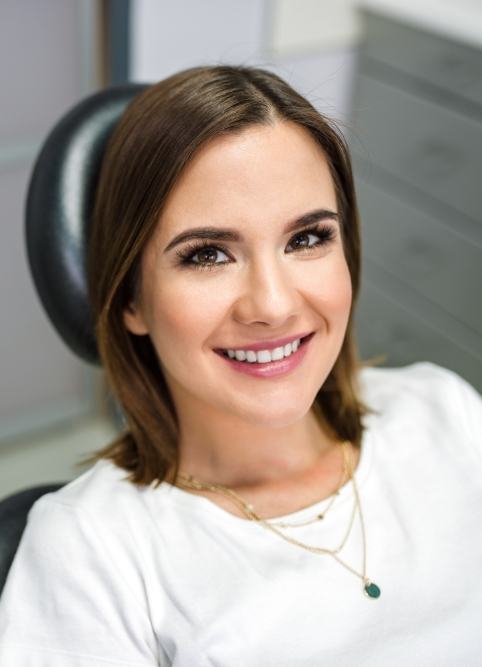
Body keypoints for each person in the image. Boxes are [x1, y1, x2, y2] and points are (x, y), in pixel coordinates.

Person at [0, 64, 481, 666]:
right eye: (207, 254)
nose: (273, 305)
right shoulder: (88, 551)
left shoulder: (448, 413)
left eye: (306, 239)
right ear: (130, 298)